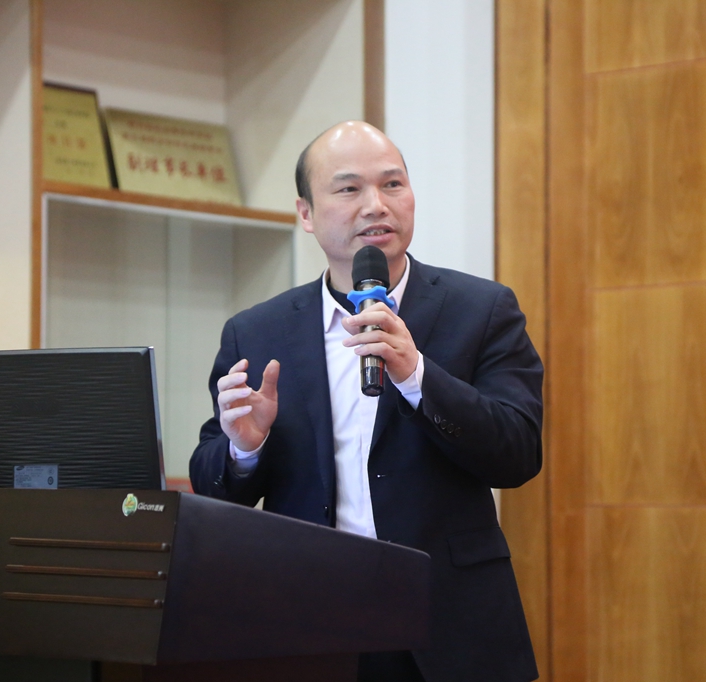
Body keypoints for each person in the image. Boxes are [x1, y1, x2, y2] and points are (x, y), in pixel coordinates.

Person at [189, 121, 543, 682]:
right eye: (350, 188)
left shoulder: (482, 309)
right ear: (306, 213)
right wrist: (244, 450)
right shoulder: (258, 331)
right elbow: (212, 482)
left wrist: (418, 375)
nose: (376, 205)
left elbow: (518, 453)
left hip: (448, 620)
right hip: (308, 621)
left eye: (392, 184)